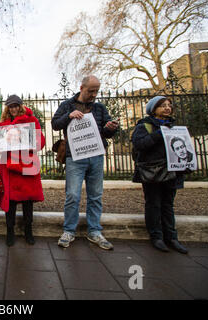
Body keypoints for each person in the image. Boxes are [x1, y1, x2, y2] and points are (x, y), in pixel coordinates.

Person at [51, 76, 119, 250]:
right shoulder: (67, 105)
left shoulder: (99, 107)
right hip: (75, 157)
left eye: (96, 91)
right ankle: (69, 230)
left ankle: (94, 231)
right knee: (72, 195)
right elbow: (55, 124)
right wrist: (69, 115)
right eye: (91, 91)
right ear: (82, 88)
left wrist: (111, 127)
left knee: (95, 195)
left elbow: (106, 131)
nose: (94, 94)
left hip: (96, 156)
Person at [131, 96, 188, 254]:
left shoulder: (174, 126)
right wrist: (159, 134)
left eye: (169, 105)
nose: (167, 108)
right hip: (153, 171)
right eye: (163, 106)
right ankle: (156, 236)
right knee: (153, 204)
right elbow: (139, 144)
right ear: (153, 109)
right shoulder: (145, 126)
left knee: (168, 205)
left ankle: (172, 237)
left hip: (172, 171)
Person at [0, 95, 45, 246]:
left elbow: (40, 143)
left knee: (27, 200)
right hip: (8, 165)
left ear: (21, 106)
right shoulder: (2, 124)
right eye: (11, 106)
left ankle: (28, 231)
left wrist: (30, 137)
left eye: (16, 106)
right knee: (9, 200)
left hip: (26, 162)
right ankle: (9, 231)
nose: (14, 109)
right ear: (7, 108)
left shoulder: (32, 121)